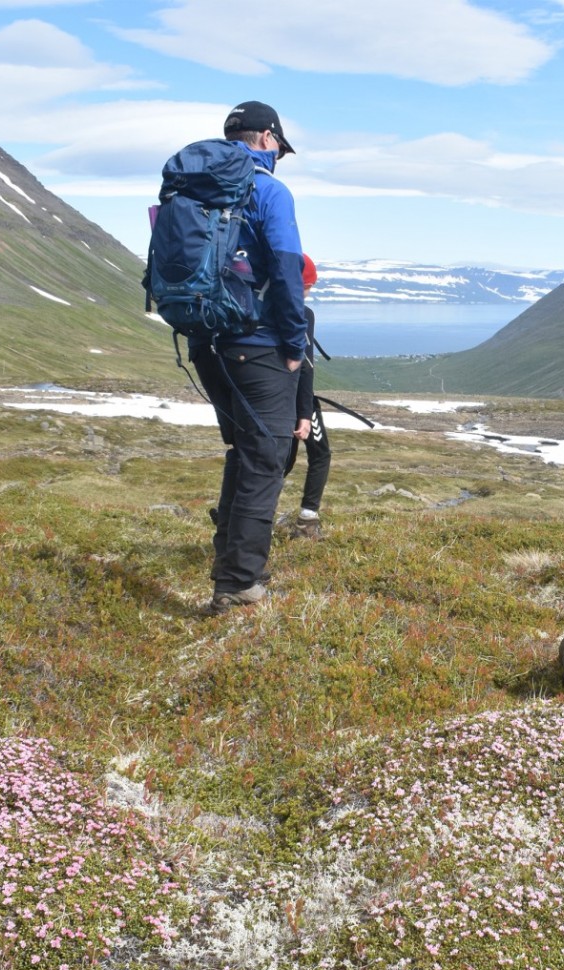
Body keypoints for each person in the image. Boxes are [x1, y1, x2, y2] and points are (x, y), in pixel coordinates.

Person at [186, 101, 307, 613]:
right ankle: (237, 583)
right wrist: (295, 344)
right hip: (256, 344)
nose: (279, 156)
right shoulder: (269, 190)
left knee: (243, 453)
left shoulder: (193, 187)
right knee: (265, 460)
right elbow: (285, 268)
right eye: (279, 147)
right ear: (266, 139)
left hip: (205, 343)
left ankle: (233, 565)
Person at [284, 253, 331, 540]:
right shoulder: (302, 314)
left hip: (265, 398)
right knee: (320, 455)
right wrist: (304, 412)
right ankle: (307, 521)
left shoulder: (258, 307)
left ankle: (241, 515)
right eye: (308, 286)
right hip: (296, 400)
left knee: (279, 461)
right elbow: (305, 367)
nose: (309, 292)